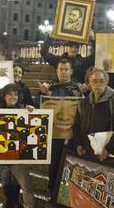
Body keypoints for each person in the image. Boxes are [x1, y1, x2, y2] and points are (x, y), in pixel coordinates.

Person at [69, 68, 114, 208]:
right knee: (86, 188)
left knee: (107, 191)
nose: (98, 85)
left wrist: (109, 149)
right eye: (94, 81)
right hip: (88, 153)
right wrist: (78, 144)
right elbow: (77, 126)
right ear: (89, 82)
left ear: (106, 82)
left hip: (106, 154)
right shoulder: (84, 103)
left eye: (101, 81)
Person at [34, 59, 84, 197]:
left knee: (70, 165)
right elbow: (36, 108)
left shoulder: (78, 89)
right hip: (53, 134)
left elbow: (85, 110)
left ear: (71, 71)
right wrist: (40, 94)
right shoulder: (49, 88)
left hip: (72, 134)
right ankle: (52, 189)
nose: (63, 72)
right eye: (61, 69)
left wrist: (85, 94)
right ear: (56, 70)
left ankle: (66, 194)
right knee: (54, 163)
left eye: (66, 69)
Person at [0, 65, 34, 208]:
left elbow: (31, 107)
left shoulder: (25, 89)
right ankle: (8, 199)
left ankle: (15, 200)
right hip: (4, 133)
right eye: (15, 71)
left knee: (16, 174)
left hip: (18, 131)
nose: (17, 73)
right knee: (5, 173)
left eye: (20, 72)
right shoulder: (3, 87)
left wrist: (29, 110)